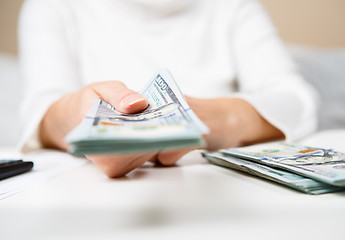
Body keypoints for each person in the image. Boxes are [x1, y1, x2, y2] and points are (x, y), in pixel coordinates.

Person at [18, 0, 318, 177]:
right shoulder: (52, 6)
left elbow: (298, 100)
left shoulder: (234, 6)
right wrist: (75, 116)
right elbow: (40, 111)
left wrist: (211, 119)